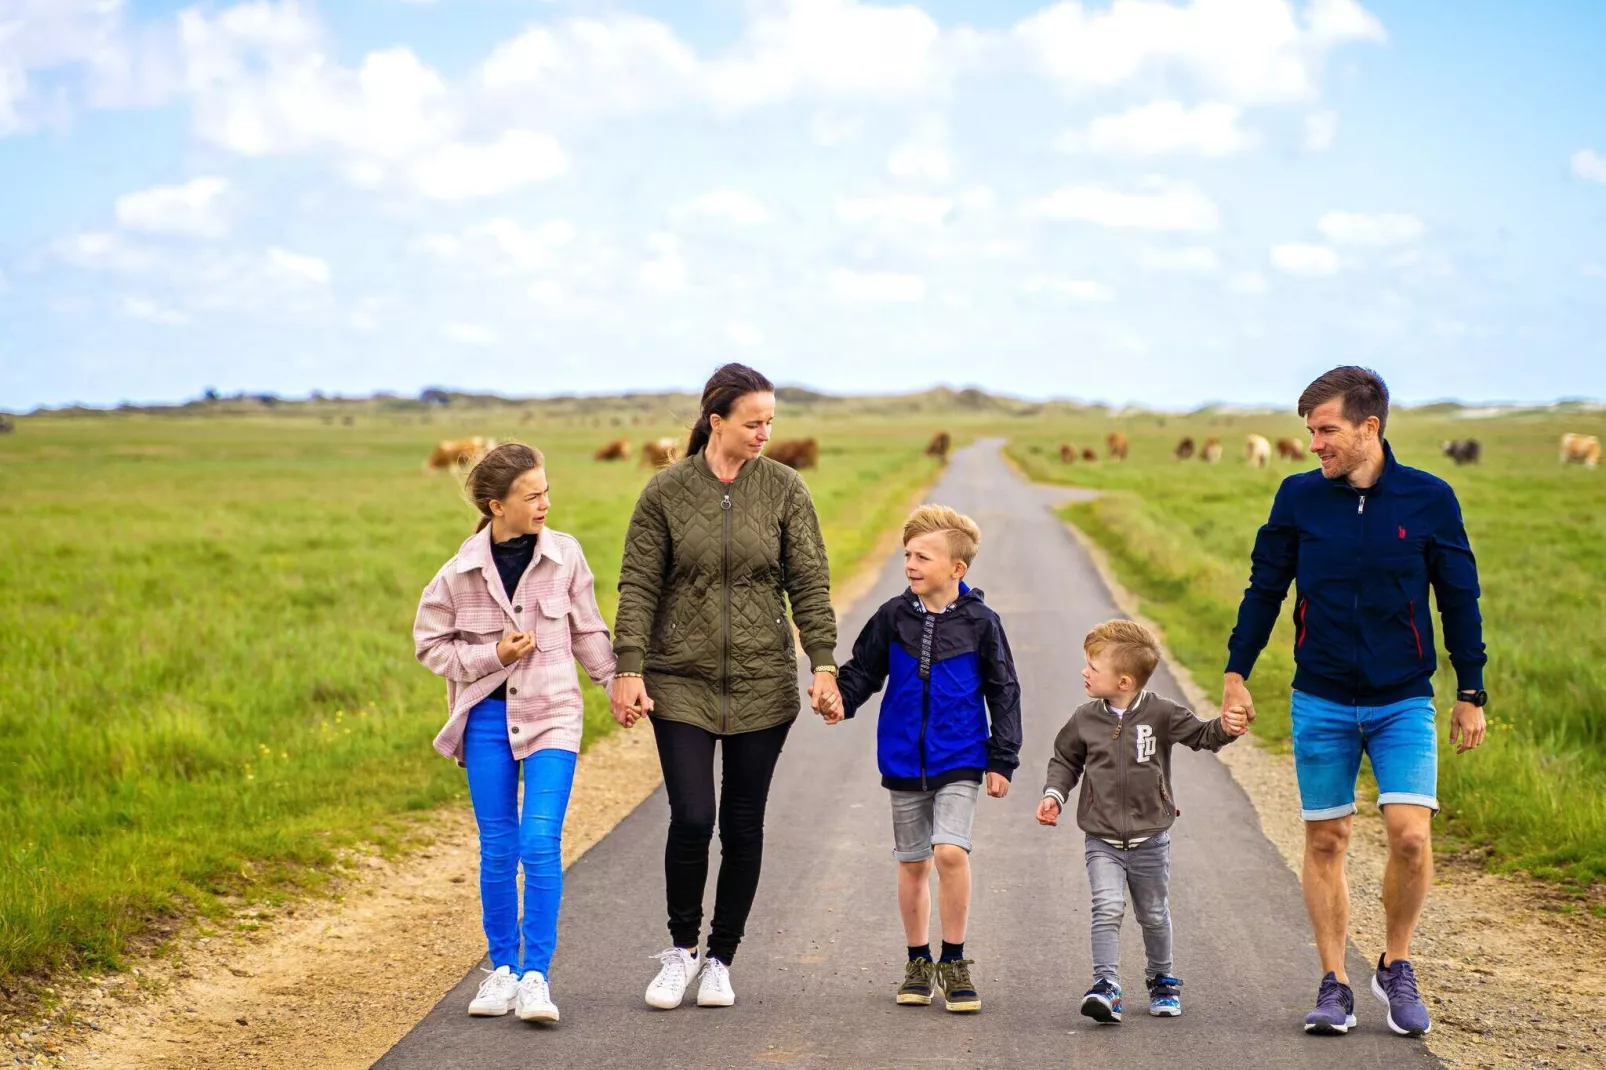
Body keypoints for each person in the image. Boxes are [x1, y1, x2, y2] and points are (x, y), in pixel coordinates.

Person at [1223, 366, 1487, 1038]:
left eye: (1326, 429)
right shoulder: (1298, 498)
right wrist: (1236, 671)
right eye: (1310, 430)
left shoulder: (1429, 499)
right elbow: (1265, 589)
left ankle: (1396, 964)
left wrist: (1471, 690)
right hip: (1322, 698)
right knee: (1328, 838)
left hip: (1404, 700)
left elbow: (1458, 597)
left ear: (1370, 427)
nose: (1314, 443)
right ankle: (1334, 982)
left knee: (1410, 837)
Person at [610, 363, 841, 1010]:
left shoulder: (785, 490)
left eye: (771, 421)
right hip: (678, 679)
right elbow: (638, 587)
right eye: (753, 422)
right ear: (716, 422)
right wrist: (628, 668)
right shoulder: (664, 493)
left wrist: (822, 662)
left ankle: (720, 958)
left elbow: (810, 585)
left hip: (762, 683)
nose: (765, 432)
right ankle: (680, 951)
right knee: (691, 817)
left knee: (742, 826)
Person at [413, 442, 618, 1024]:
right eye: (532, 495)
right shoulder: (458, 574)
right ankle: (501, 969)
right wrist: (492, 655)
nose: (545, 503)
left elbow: (588, 631)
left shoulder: (566, 557)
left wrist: (618, 684)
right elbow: (429, 645)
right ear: (494, 505)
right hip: (484, 720)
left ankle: (536, 978)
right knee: (499, 847)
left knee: (539, 842)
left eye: (546, 490)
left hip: (554, 712)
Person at [823, 504, 1022, 1014]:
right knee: (913, 863)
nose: (910, 564)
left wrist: (1002, 759)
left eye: (923, 556)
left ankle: (954, 961)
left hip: (961, 755)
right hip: (903, 759)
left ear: (957, 568)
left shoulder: (982, 622)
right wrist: (838, 702)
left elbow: (1004, 691)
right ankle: (918, 960)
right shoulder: (893, 615)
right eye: (907, 554)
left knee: (950, 852)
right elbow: (863, 672)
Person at [1036, 620, 1248, 1023]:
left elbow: (1203, 736)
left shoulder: (1162, 713)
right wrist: (1054, 794)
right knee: (1107, 906)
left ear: (1125, 680)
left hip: (1151, 838)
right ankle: (1106, 986)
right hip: (1101, 839)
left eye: (1093, 668)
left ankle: (1162, 979)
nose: (1085, 673)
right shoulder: (1084, 719)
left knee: (1152, 913)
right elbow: (1065, 760)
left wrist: (1227, 727)